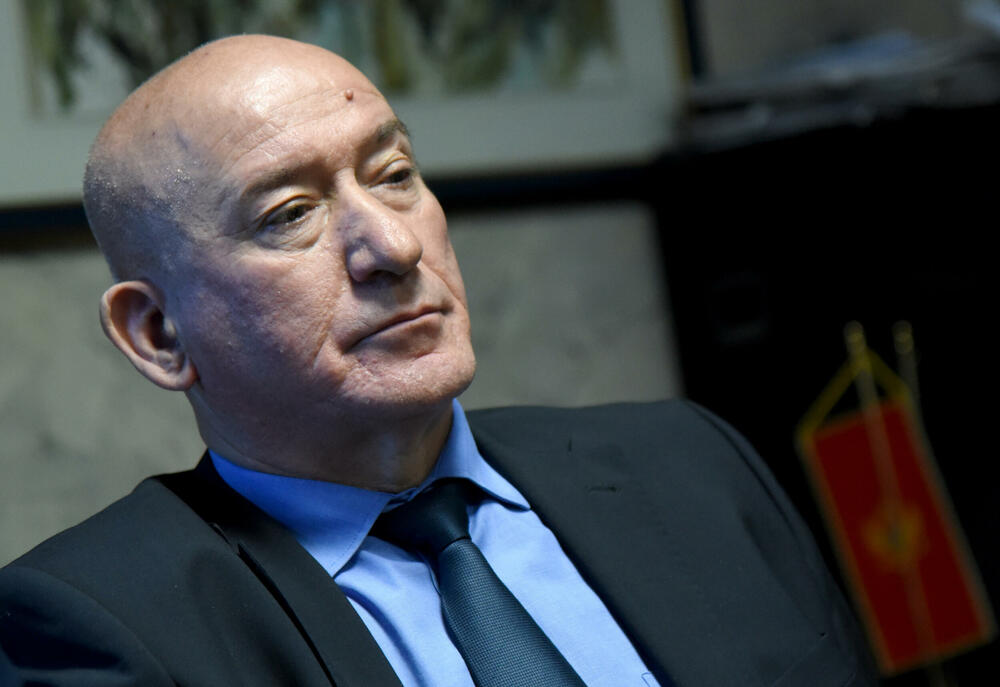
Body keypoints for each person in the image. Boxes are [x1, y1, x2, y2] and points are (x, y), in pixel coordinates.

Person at [0, 35, 875, 686]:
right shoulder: (92, 629)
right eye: (290, 214)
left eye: (394, 173)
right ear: (159, 334)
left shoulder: (694, 463)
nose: (392, 245)